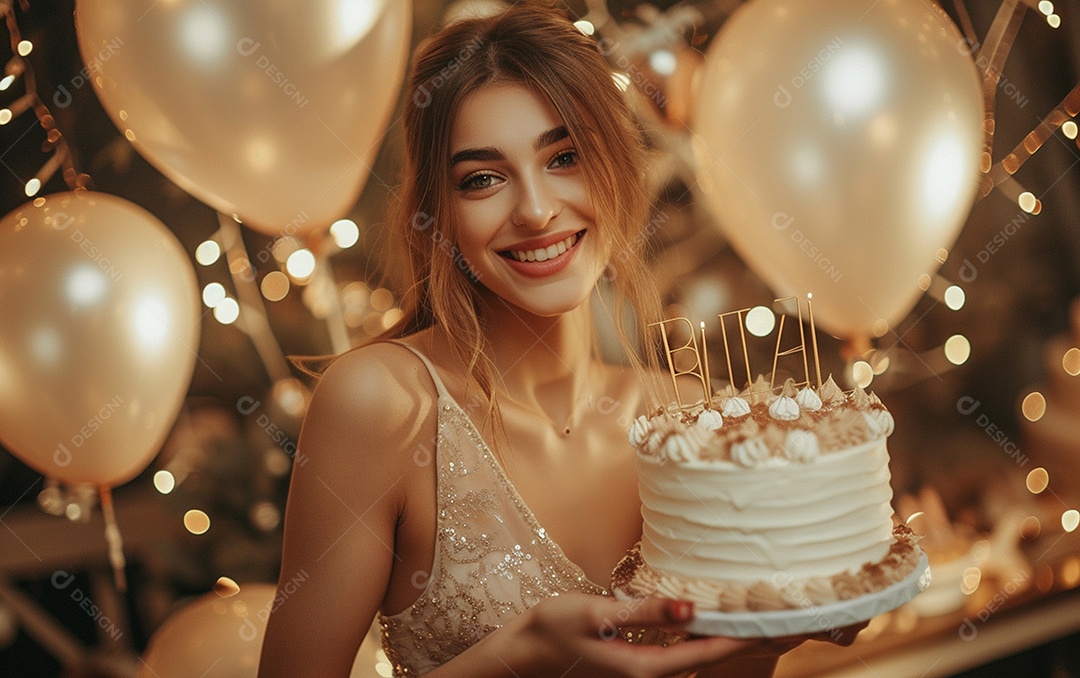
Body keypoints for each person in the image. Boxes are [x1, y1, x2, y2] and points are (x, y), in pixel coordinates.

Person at [259, 3, 850, 676]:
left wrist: (773, 631)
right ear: (438, 213)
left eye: (564, 157)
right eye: (482, 178)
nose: (536, 210)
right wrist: (516, 655)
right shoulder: (383, 406)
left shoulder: (689, 417)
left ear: (618, 169)